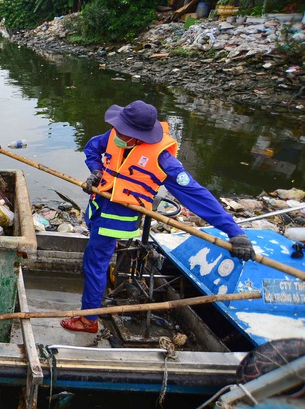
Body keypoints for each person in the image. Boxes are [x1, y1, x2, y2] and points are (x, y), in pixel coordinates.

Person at [61, 100, 256, 334]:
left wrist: (234, 231)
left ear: (139, 135)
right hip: (97, 209)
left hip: (116, 220)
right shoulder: (115, 134)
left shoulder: (163, 159)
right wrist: (96, 171)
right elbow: (93, 148)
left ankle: (88, 319)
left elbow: (196, 194)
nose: (117, 133)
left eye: (123, 131)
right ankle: (99, 295)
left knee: (94, 264)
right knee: (98, 260)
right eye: (118, 128)